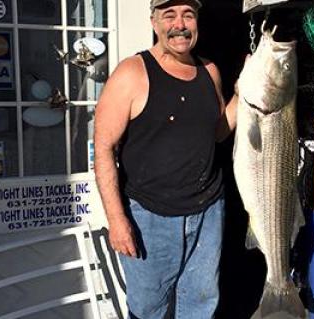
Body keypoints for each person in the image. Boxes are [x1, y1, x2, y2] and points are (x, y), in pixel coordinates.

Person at [94, 0, 238, 318]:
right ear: (154, 22)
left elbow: (216, 133)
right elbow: (103, 148)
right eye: (169, 15)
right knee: (148, 309)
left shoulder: (209, 70)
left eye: (188, 15)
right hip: (149, 216)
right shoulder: (132, 72)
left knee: (201, 303)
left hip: (208, 211)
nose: (179, 24)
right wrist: (117, 221)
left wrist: (243, 97)